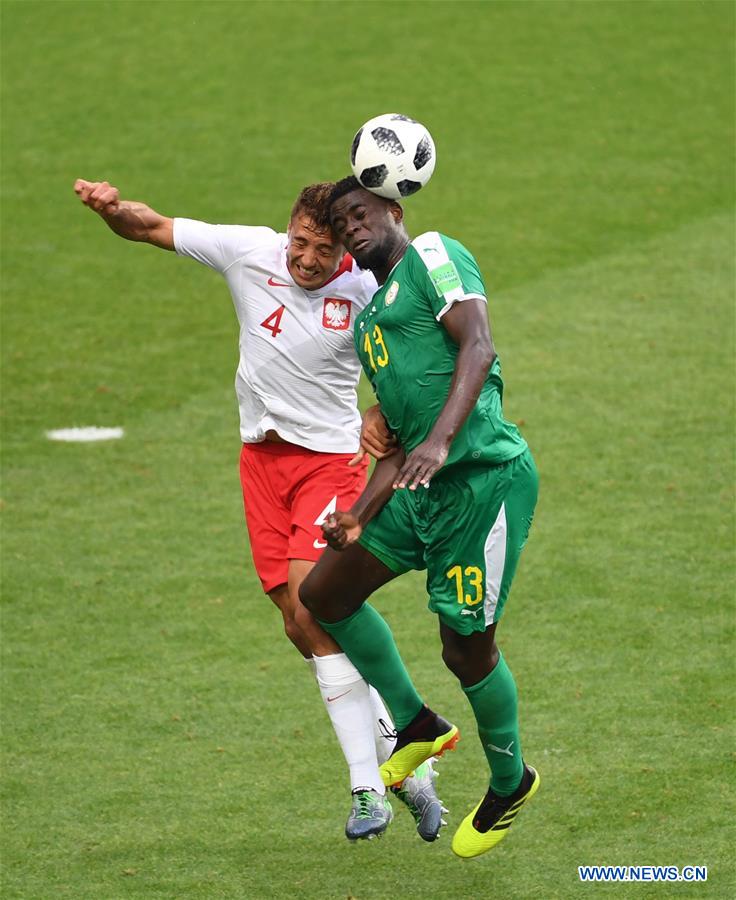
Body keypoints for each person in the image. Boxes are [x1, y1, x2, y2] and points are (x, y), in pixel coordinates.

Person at [73, 178, 446, 842]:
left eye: (324, 250)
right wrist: (109, 209)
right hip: (261, 463)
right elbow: (149, 225)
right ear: (288, 230)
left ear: (345, 249)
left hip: (329, 463)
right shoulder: (249, 251)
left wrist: (380, 410)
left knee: (313, 603)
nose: (308, 260)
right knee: (298, 624)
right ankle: (408, 760)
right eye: (301, 243)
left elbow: (419, 358)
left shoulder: (367, 287)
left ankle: (368, 788)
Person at [299, 176, 540, 859]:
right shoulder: (371, 325)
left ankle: (510, 781)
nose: (351, 228)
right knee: (325, 593)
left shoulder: (434, 254)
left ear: (394, 210)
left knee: (465, 650)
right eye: (341, 224)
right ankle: (416, 724)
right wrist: (357, 516)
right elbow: (399, 446)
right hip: (420, 489)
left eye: (360, 213)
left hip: (482, 485)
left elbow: (479, 345)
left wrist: (439, 440)